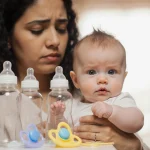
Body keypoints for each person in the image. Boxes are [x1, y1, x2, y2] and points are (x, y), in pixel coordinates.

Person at [0, 0, 149, 149]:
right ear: (7, 35)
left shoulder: (92, 95)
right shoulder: (6, 103)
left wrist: (135, 145)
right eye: (37, 29)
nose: (54, 41)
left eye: (61, 28)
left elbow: (135, 121)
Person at [52, 29, 144, 133]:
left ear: (123, 78)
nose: (102, 80)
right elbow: (64, 133)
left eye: (111, 72)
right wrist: (59, 117)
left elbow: (137, 121)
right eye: (91, 72)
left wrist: (112, 112)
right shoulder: (70, 106)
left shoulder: (119, 100)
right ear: (76, 80)